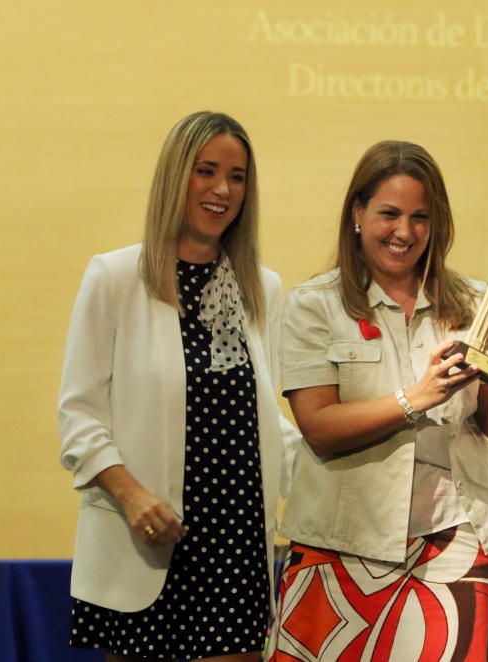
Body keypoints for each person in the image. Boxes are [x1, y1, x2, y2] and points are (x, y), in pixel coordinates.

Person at [265, 140, 488, 661]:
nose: (404, 232)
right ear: (357, 213)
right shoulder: (314, 305)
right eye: (389, 214)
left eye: (420, 217)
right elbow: (318, 426)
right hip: (341, 542)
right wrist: (414, 398)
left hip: (452, 541)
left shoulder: (472, 302)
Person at [58, 111, 298, 662]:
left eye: (237, 177)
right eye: (206, 170)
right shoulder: (115, 277)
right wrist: (132, 494)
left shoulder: (263, 288)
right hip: (144, 539)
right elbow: (79, 417)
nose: (222, 190)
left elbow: (266, 424)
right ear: (175, 176)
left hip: (236, 546)